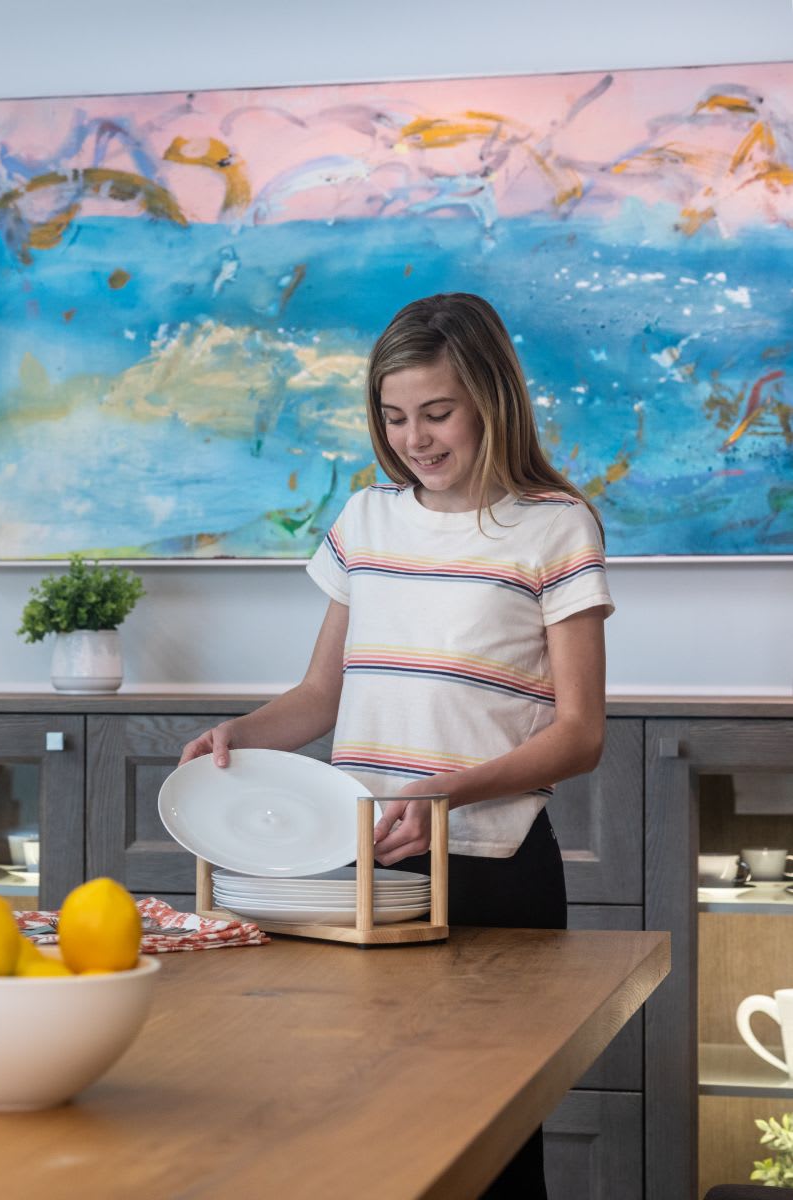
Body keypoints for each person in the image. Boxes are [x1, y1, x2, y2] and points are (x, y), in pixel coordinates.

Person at [178, 292, 614, 1199]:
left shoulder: (554, 527)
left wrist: (443, 793)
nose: (415, 438)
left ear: (491, 399)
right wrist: (238, 735)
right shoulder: (366, 523)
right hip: (362, 869)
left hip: (491, 871)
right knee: (360, 1128)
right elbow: (319, 695)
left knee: (491, 1144)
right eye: (394, 415)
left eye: (437, 412)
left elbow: (579, 736)